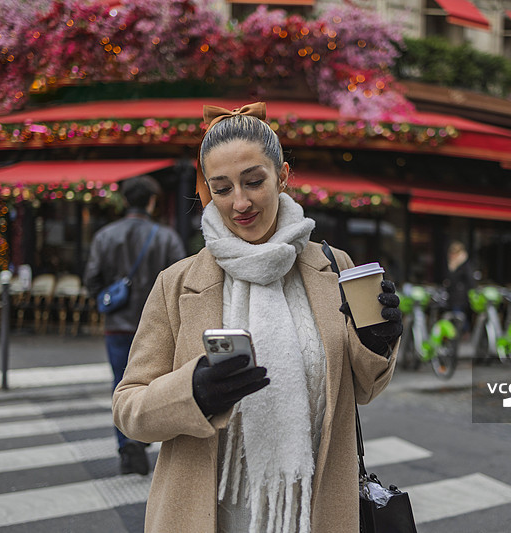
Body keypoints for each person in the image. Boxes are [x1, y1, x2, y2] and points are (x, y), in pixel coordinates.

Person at [112, 103, 403, 533]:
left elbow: (363, 388)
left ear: (282, 176)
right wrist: (192, 394)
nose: (240, 202)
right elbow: (128, 407)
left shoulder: (333, 265)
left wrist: (377, 343)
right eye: (222, 188)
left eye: (254, 181)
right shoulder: (176, 284)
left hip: (315, 513)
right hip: (210, 516)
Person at [84, 175, 186, 476]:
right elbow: (183, 281)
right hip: (159, 327)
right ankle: (143, 440)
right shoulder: (167, 237)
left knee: (122, 383)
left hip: (118, 323)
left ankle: (128, 443)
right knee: (157, 383)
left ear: (126, 200)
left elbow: (92, 279)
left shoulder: (105, 236)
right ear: (152, 202)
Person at [443, 240, 476, 332]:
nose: (451, 255)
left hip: (460, 297)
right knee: (456, 316)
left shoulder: (463, 264)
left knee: (459, 316)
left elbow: (470, 281)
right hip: (453, 296)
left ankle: (463, 333)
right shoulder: (453, 264)